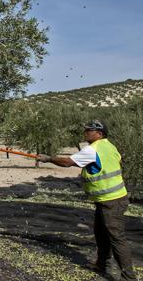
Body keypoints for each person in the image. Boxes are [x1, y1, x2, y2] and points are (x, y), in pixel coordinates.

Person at [37, 120, 137, 281]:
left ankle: (129, 277)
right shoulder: (110, 146)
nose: (86, 132)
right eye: (86, 130)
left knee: (117, 238)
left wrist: (48, 159)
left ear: (100, 133)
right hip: (111, 199)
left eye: (90, 130)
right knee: (100, 233)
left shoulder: (93, 149)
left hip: (111, 201)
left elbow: (68, 162)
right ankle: (101, 264)